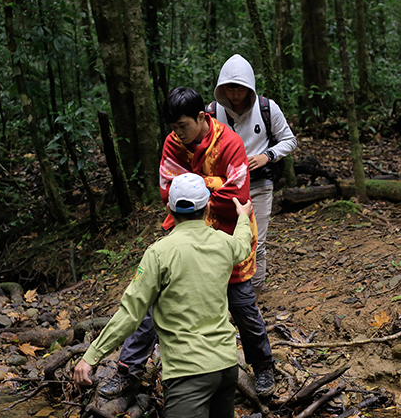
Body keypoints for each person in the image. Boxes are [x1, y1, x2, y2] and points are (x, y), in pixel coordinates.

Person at [99, 87, 277, 400]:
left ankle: (263, 366)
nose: (178, 134)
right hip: (184, 236)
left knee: (242, 304)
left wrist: (194, 186)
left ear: (201, 116)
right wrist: (213, 185)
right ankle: (128, 371)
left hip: (227, 236)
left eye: (183, 126)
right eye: (173, 127)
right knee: (155, 306)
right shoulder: (172, 142)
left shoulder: (230, 143)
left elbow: (237, 196)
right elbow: (170, 192)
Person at [74, 173, 254, 418]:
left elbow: (131, 314)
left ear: (169, 208)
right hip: (226, 366)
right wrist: (243, 217)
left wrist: (91, 356)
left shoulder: (159, 253)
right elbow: (243, 245)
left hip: (187, 373)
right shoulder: (224, 243)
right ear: (209, 206)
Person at [212, 54, 298, 298]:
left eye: (240, 88)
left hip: (259, 183)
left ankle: (255, 293)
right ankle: (227, 292)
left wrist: (267, 156)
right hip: (226, 187)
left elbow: (289, 140)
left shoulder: (266, 108)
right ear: (222, 88)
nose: (235, 94)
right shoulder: (211, 112)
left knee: (256, 241)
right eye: (230, 88)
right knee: (225, 239)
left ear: (249, 86)